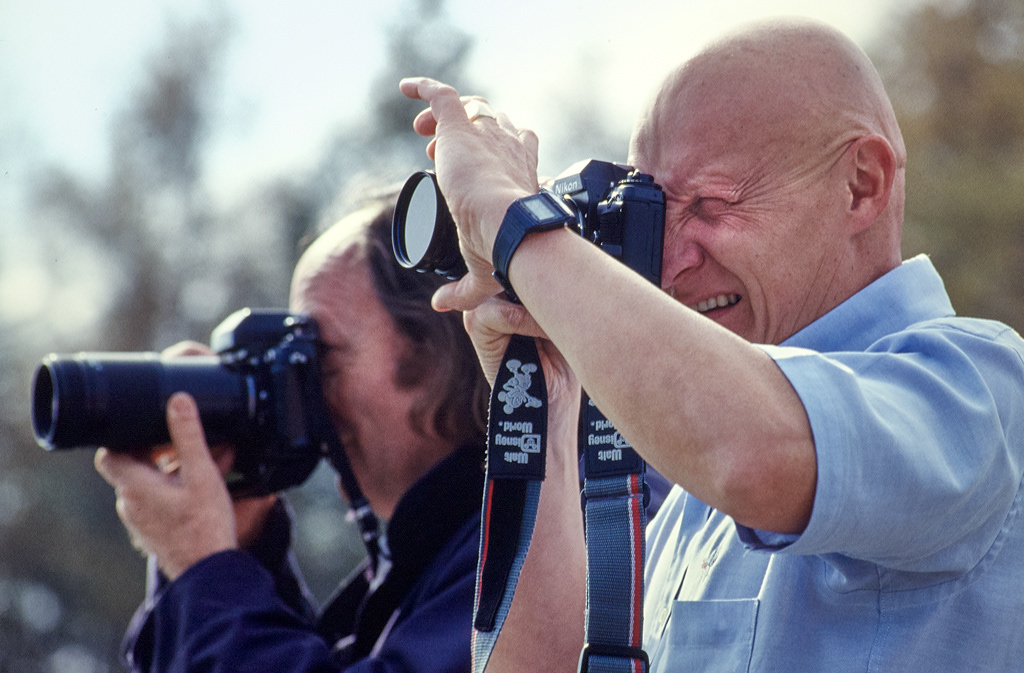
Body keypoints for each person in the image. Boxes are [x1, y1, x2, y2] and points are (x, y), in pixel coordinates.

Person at [398, 17, 1024, 673]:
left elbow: (753, 456)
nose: (667, 267)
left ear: (861, 184)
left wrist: (514, 226)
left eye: (709, 204)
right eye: (651, 219)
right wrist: (551, 400)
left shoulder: (982, 390)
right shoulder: (692, 494)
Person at [94, 193, 491, 672]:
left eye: (320, 359)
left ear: (433, 352)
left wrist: (207, 575)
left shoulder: (528, 543)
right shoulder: (452, 550)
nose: (304, 397)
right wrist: (245, 549)